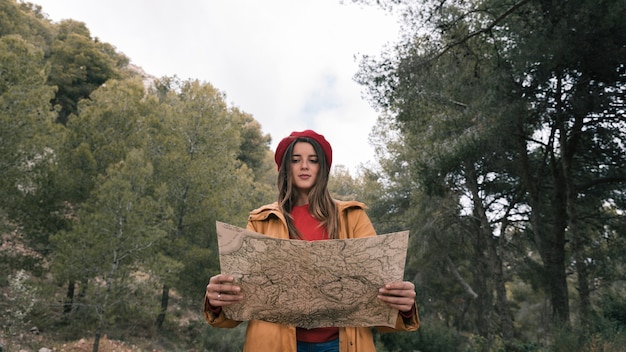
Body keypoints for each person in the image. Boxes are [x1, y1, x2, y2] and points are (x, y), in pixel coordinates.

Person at [204, 129, 419, 351]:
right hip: (274, 344)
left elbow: (378, 294)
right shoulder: (261, 221)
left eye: (313, 160)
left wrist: (404, 306)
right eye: (296, 160)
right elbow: (241, 304)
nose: (304, 166)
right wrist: (217, 300)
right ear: (285, 168)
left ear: (322, 168)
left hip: (341, 345)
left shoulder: (353, 218)